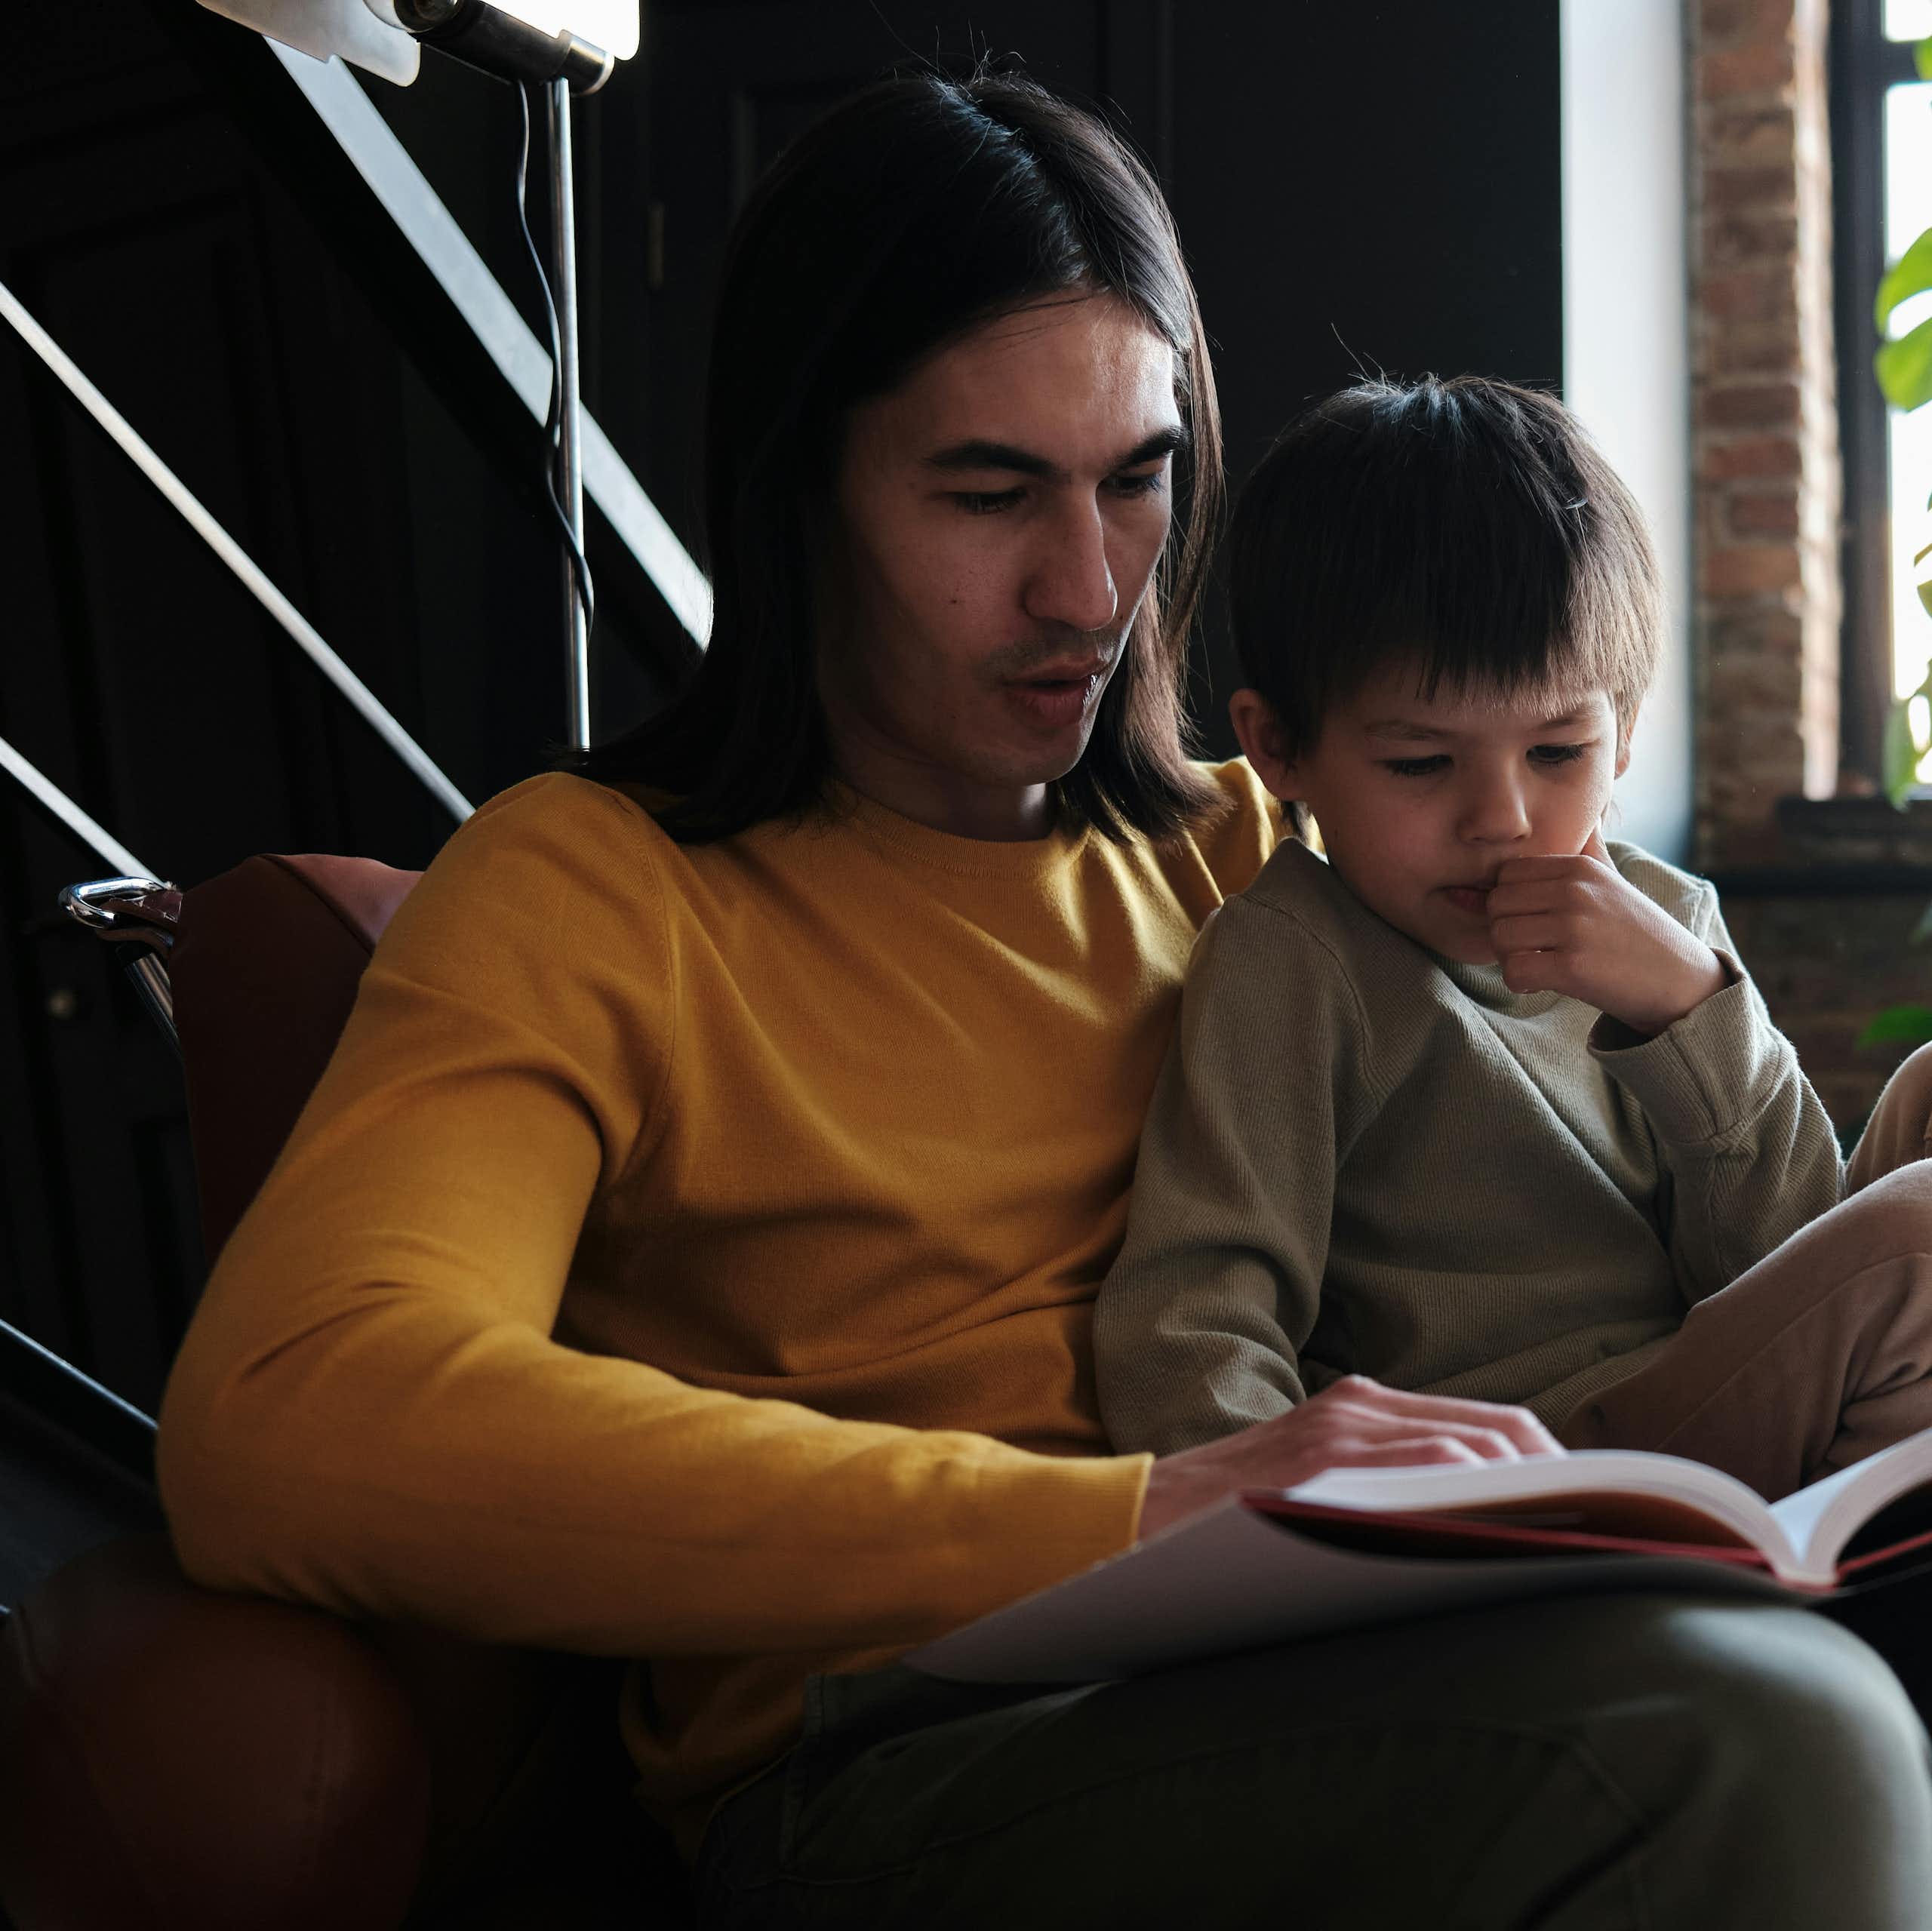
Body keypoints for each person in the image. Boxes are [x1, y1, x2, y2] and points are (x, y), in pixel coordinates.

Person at [155, 69, 1932, 1929]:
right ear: (801, 490)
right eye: (987, 491)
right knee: (1758, 1736)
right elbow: (295, 1411)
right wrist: (1136, 1513)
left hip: (1362, 1648)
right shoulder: (599, 886)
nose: (1089, 589)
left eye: (1139, 479)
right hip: (908, 1752)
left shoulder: (1276, 843)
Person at [1095, 376, 1932, 1510]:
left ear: (1625, 732)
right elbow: (1198, 1316)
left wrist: (1689, 1012)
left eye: (1557, 753)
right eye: (1420, 764)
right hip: (1527, 1460)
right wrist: (1277, 1548)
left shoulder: (1664, 925)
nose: (1502, 820)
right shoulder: (1293, 960)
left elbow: (1777, 1262)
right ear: (1280, 749)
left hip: (1706, 1384)